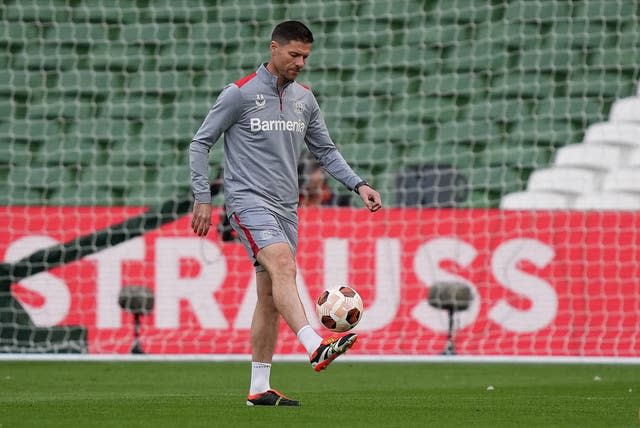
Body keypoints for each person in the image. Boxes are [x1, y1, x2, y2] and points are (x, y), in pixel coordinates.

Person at [189, 20, 382, 406]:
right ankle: (314, 344)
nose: (300, 62)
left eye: (306, 56)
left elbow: (325, 151)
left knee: (269, 298)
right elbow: (200, 142)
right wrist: (202, 197)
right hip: (247, 200)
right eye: (294, 54)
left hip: (286, 207)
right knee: (284, 266)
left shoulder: (304, 99)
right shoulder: (239, 94)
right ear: (273, 48)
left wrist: (358, 184)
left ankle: (259, 388)